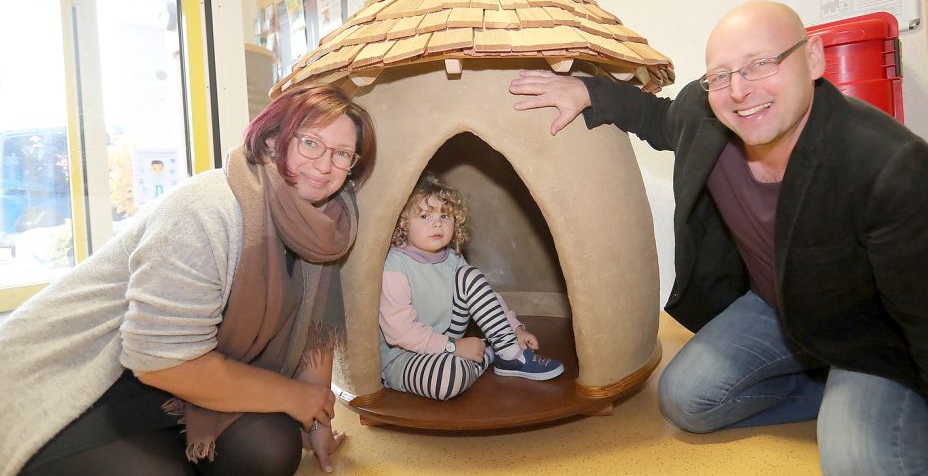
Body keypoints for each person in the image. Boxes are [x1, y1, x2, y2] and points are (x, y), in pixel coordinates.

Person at [509, 0, 928, 475]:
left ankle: (862, 398)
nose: (739, 90)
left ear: (813, 58)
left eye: (761, 64)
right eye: (720, 75)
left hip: (872, 335)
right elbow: (658, 119)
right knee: (685, 402)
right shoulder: (707, 115)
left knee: (855, 461)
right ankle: (828, 392)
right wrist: (586, 90)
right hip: (774, 308)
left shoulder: (892, 168)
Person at [0, 84, 377, 476]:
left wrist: (316, 417)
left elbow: (315, 333)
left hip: (193, 379)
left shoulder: (327, 225)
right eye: (311, 143)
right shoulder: (206, 211)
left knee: (271, 451)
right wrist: (292, 395)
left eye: (342, 154)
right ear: (271, 141)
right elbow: (159, 361)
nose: (324, 165)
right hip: (96, 382)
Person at [378, 172, 564, 401]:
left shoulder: (453, 259)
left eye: (445, 215)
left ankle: (507, 350)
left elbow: (488, 297)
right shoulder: (394, 264)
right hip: (404, 356)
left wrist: (515, 329)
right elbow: (400, 332)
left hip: (449, 339)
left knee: (470, 276)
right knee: (448, 378)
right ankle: (487, 355)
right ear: (402, 224)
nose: (437, 223)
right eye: (425, 216)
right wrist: (453, 348)